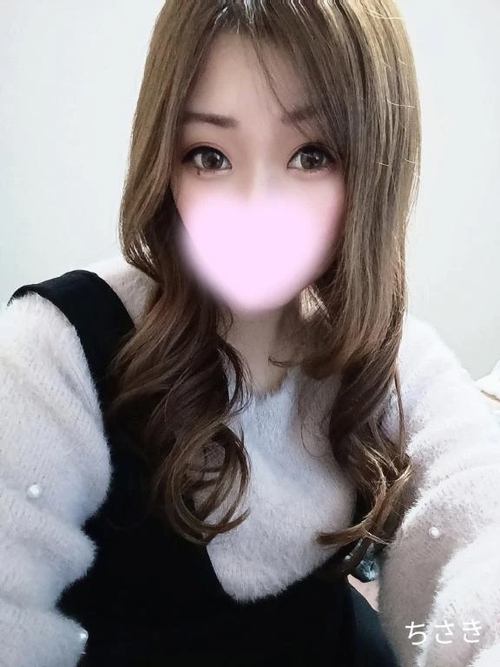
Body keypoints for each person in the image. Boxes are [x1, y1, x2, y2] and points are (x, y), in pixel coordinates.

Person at [1, 1, 500, 665]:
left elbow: (476, 535)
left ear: (374, 168)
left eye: (311, 155)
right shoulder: (55, 354)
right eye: (209, 156)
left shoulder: (388, 355)